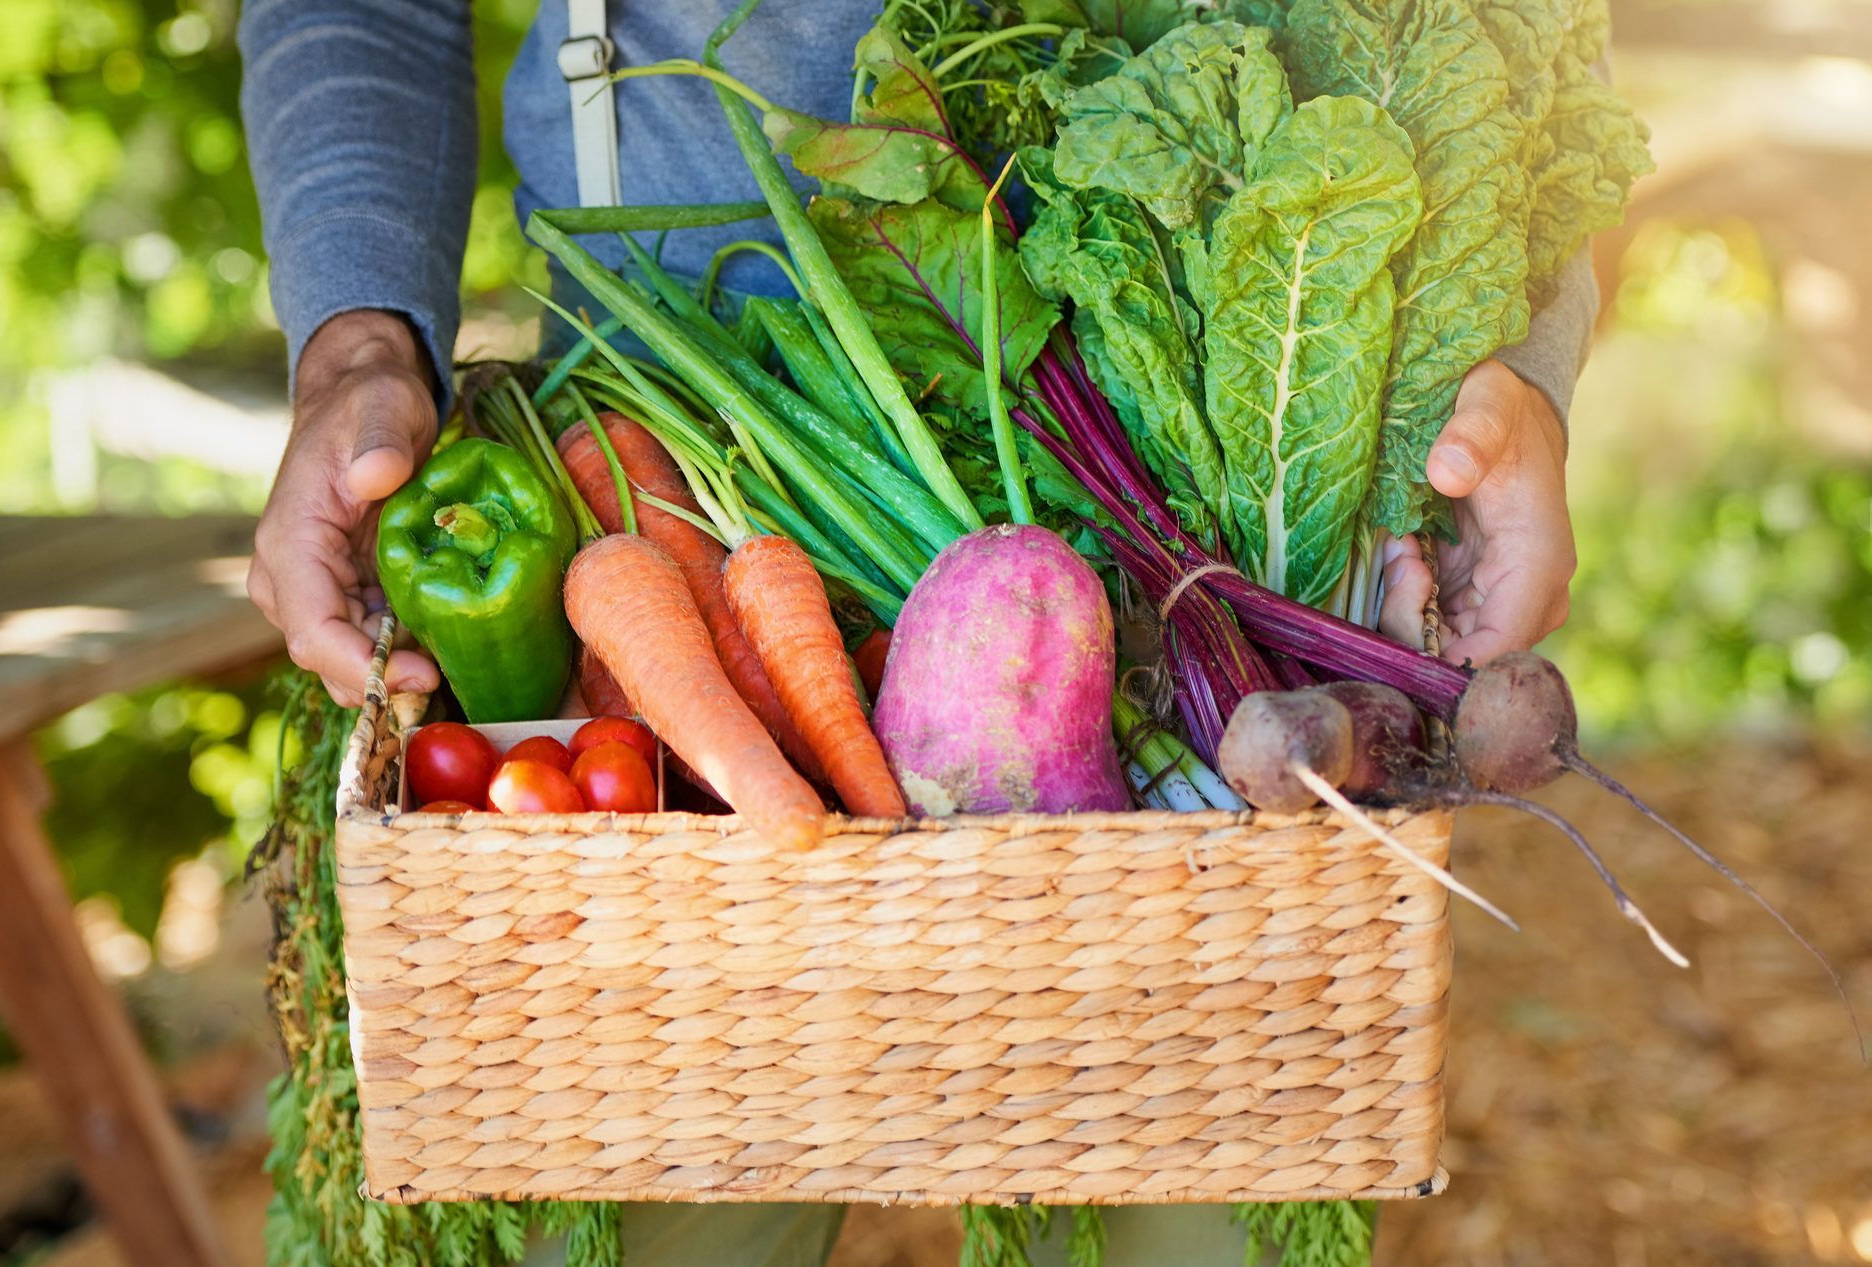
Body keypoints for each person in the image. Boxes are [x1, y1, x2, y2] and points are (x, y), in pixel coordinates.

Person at [239, 3, 1595, 1263]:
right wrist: (354, 350)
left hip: (1184, 541)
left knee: (1206, 1201)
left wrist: (1518, 367)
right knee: (640, 1215)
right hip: (661, 482)